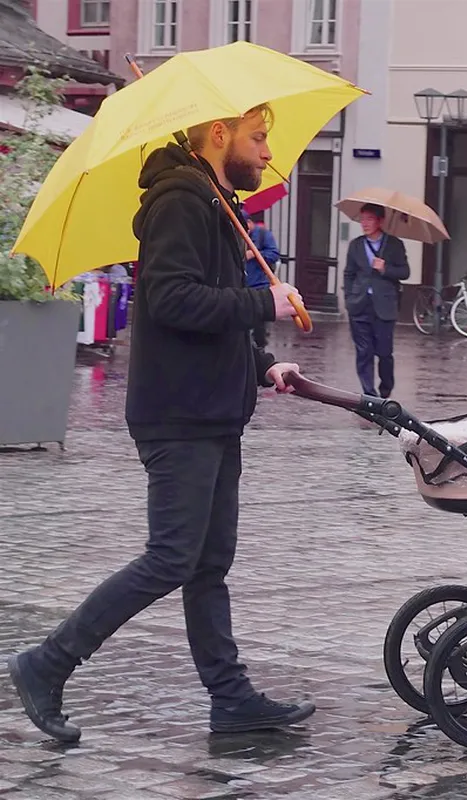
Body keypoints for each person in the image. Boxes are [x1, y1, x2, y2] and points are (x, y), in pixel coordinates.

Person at [7, 103, 315, 743]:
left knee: (207, 564)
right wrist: (266, 300)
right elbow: (173, 300)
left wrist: (263, 366)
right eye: (258, 138)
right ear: (219, 133)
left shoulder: (216, 204)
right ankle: (46, 663)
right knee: (172, 557)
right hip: (179, 413)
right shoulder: (182, 201)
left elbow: (210, 318)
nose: (265, 153)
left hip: (213, 408)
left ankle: (231, 698)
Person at [343, 203, 409, 398]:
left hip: (385, 307)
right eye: (362, 219)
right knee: (364, 352)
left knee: (384, 353)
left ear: (380, 221)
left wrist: (385, 269)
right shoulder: (356, 245)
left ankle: (385, 389)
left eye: (370, 219)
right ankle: (369, 394)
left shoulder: (394, 244)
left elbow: (405, 272)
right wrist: (349, 298)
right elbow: (349, 273)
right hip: (359, 305)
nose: (364, 223)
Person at [243, 211, 279, 349]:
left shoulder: (264, 235)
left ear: (250, 223)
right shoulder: (237, 236)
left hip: (259, 286)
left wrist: (255, 254)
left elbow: (274, 254)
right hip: (242, 287)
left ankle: (260, 353)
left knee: (260, 330)